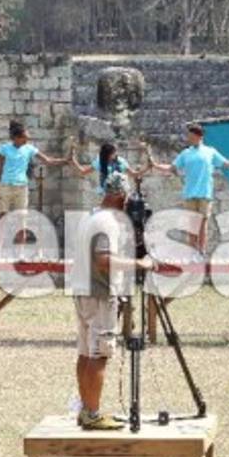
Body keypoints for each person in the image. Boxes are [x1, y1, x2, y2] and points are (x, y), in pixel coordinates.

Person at [74, 172, 152, 430]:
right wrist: (138, 263)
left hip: (83, 290)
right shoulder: (107, 222)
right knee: (100, 354)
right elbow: (104, 260)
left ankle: (86, 409)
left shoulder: (91, 217)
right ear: (121, 195)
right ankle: (93, 413)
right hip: (100, 293)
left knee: (86, 353)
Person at [147, 122, 229, 253]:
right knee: (192, 225)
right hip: (189, 194)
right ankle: (191, 252)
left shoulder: (210, 151)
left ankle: (201, 252)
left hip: (205, 194)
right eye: (188, 135)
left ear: (199, 136)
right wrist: (155, 165)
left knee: (203, 225)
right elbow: (172, 168)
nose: (188, 138)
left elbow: (226, 163)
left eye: (191, 135)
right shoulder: (185, 153)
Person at [0, 120, 69, 215]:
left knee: (22, 219)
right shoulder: (4, 149)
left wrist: (66, 160)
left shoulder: (29, 149)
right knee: (3, 218)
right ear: (16, 138)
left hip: (21, 187)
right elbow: (0, 168)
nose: (26, 140)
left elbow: (48, 160)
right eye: (24, 138)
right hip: (6, 186)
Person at [69, 140, 136, 196]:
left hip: (120, 192)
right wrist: (74, 161)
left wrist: (146, 167)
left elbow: (134, 174)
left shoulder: (120, 161)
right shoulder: (100, 162)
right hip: (106, 193)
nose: (115, 154)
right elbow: (83, 171)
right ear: (108, 154)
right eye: (113, 152)